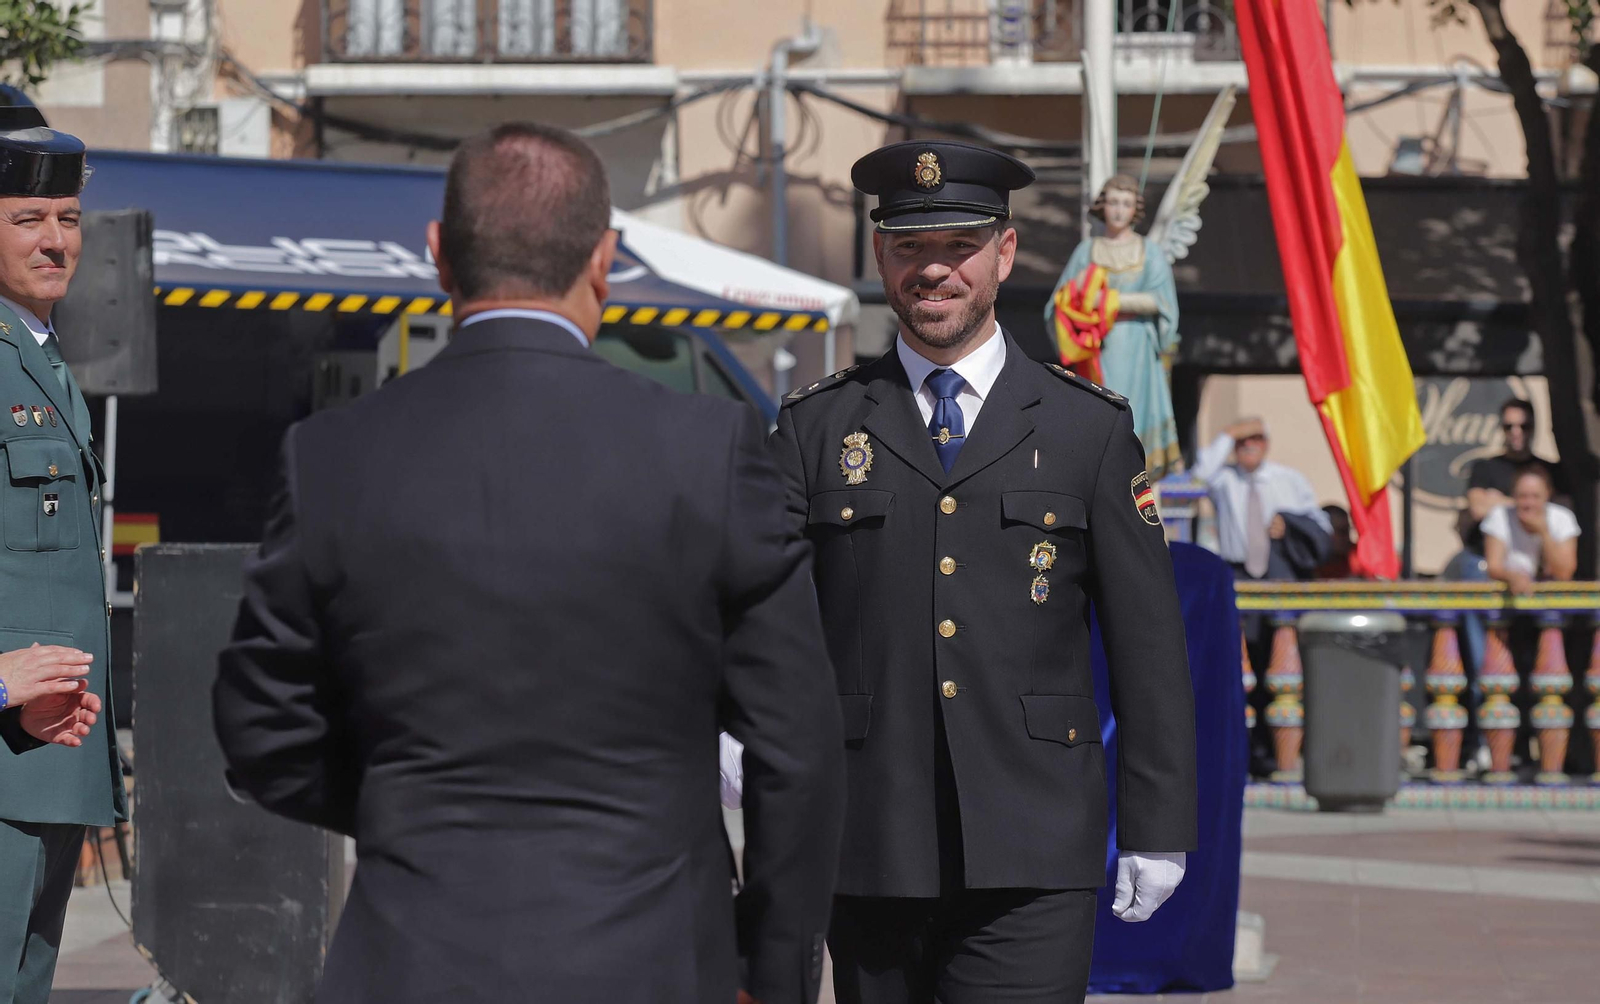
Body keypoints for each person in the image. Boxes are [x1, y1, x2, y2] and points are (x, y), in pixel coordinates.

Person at [214, 123, 845, 1004]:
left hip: (413, 957)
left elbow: (262, 730)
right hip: (654, 958)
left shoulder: (332, 456)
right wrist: (771, 970)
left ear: (438, 255)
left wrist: (413, 811)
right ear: (605, 260)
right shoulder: (706, 447)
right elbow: (800, 746)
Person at [773, 139, 1197, 1004]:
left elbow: (1148, 641)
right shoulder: (817, 428)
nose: (934, 270)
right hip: (870, 834)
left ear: (1004, 254)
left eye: (959, 246)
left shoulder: (1087, 428)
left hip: (1034, 838)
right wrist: (742, 732)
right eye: (909, 247)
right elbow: (764, 608)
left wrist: (1157, 823)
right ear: (881, 255)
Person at [0, 105, 120, 1004]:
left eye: (69, 218)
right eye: (27, 219)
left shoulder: (38, 354)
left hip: (49, 764)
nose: (55, 241)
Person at [1043, 174, 1181, 478]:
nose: (1119, 211)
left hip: (1137, 345)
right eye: (1114, 202)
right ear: (1102, 206)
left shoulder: (1149, 251)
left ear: (1135, 209)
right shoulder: (1087, 251)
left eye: (1126, 204)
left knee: (1134, 414)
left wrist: (1107, 301)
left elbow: (1163, 303)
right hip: (1096, 347)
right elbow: (1059, 303)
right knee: (1099, 411)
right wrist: (1080, 306)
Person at [1193, 417, 1332, 580]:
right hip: (1237, 572)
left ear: (1266, 443)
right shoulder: (1224, 479)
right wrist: (1229, 433)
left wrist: (1290, 528)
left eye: (1256, 438)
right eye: (1241, 440)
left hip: (1284, 571)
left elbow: (1320, 524)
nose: (1248, 444)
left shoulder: (1290, 479)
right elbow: (1199, 476)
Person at [1466, 398, 1570, 553]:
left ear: (1533, 428)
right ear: (1501, 429)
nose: (1516, 432)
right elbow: (1478, 509)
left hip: (1536, 554)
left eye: (1524, 426)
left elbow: (1560, 515)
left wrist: (1499, 502)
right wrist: (1533, 505)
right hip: (1487, 555)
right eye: (1509, 427)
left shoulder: (1550, 470)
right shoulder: (1485, 467)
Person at [1482, 465, 1579, 595]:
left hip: (1550, 594)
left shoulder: (1563, 518)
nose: (1529, 503)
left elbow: (1564, 573)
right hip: (1508, 591)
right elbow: (1494, 567)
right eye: (1523, 496)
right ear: (1513, 495)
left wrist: (1544, 533)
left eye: (1536, 496)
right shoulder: (1499, 515)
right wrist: (1514, 577)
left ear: (1548, 494)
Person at [1314, 504, 1366, 579]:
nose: (1347, 537)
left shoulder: (1359, 557)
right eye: (1342, 531)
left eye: (1348, 530)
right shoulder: (1308, 560)